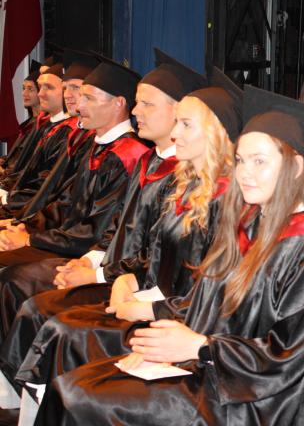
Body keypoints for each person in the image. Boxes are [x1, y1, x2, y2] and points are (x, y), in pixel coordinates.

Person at [32, 85, 304, 426]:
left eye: (260, 161)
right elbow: (212, 305)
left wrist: (198, 348)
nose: (245, 173)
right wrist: (167, 352)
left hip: (257, 402)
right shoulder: (255, 222)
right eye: (240, 160)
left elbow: (289, 355)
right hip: (218, 371)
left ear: (295, 167)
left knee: (79, 398)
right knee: (76, 386)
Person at [0, 51, 210, 391]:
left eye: (147, 104)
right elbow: (115, 229)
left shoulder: (185, 182)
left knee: (41, 309)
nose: (136, 112)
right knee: (32, 301)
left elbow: (160, 262)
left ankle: (28, 398)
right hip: (114, 272)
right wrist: (88, 261)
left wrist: (97, 273)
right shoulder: (149, 163)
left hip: (143, 293)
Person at [0, 58, 149, 340]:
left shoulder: (130, 155)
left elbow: (94, 231)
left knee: (12, 278)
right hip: (67, 243)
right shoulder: (97, 146)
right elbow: (66, 204)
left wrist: (31, 239)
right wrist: (24, 227)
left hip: (86, 253)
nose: (78, 105)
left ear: (118, 103)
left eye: (87, 98)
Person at [0, 50, 100, 218]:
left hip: (48, 220)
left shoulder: (77, 134)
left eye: (75, 88)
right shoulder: (66, 131)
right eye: (65, 88)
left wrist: (27, 223)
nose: (40, 93)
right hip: (36, 214)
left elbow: (53, 189)